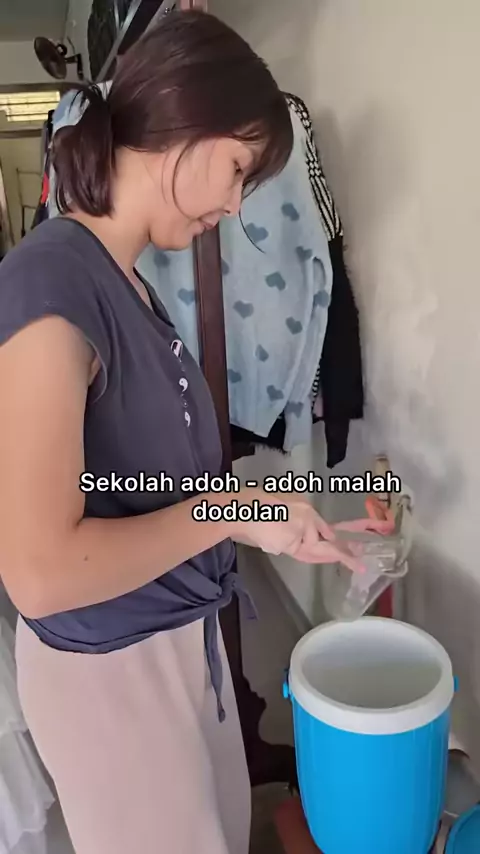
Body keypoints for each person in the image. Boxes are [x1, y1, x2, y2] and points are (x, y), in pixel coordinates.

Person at [0, 11, 377, 854]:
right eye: (239, 169)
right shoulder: (48, 280)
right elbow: (40, 573)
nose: (236, 204)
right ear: (184, 121)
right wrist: (229, 514)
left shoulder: (129, 285)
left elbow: (156, 492)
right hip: (113, 674)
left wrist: (269, 515)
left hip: (179, 647)